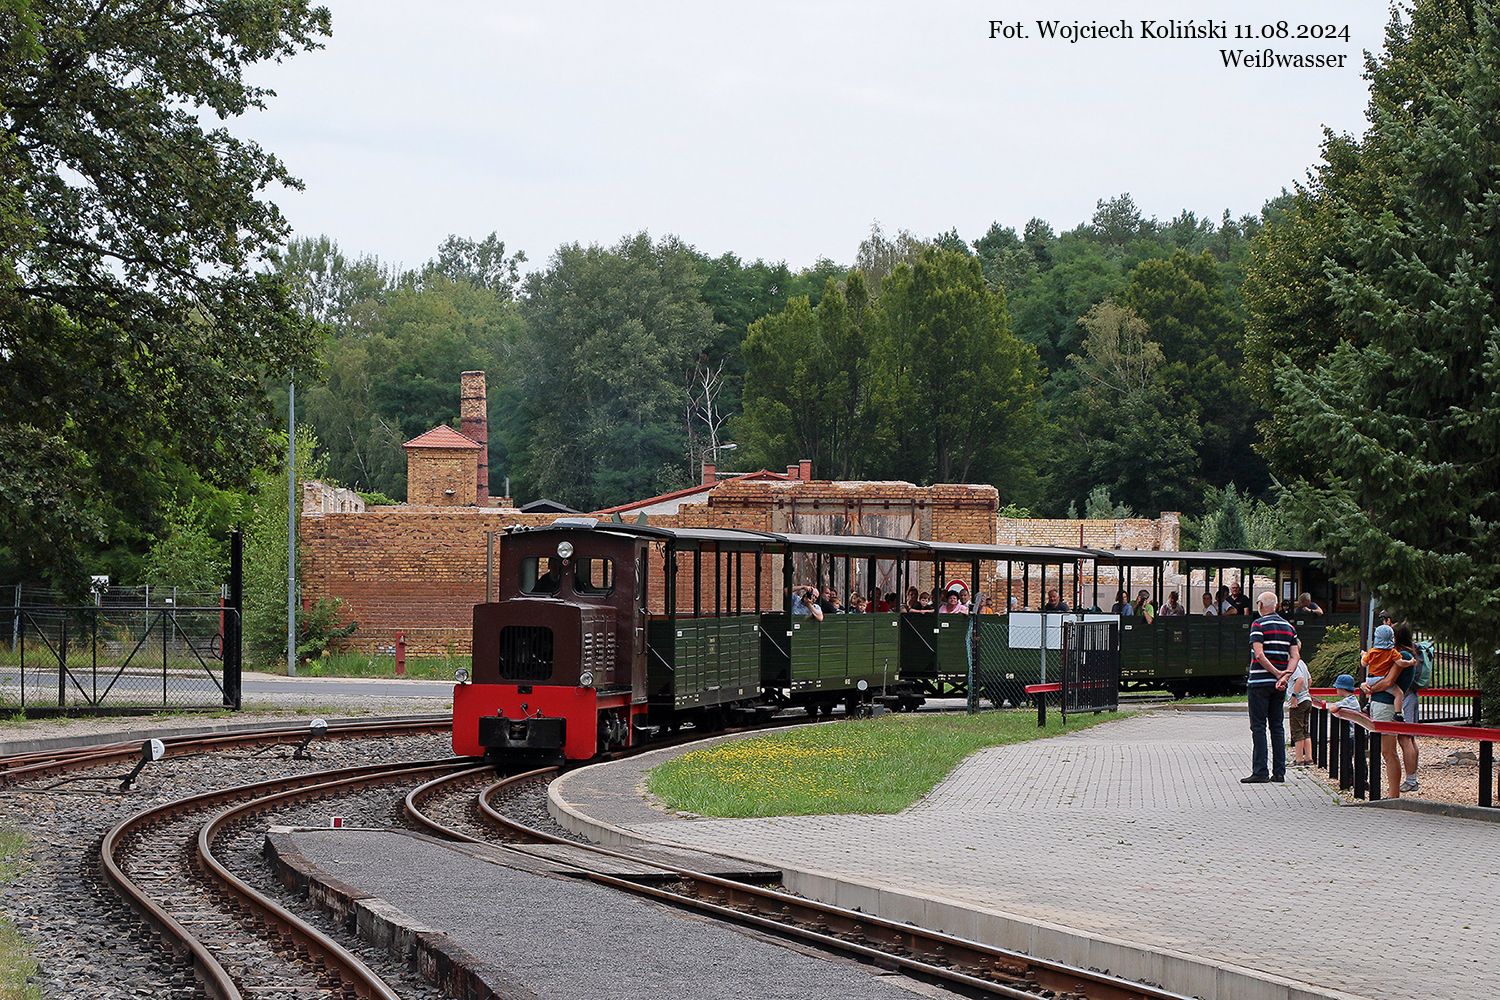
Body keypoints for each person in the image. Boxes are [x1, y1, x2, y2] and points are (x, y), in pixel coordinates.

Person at [1243, 591, 1298, 784]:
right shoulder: (1289, 627)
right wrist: (1285, 675)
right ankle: (1280, 772)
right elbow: (1295, 656)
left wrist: (1276, 674)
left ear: (1260, 605)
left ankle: (1260, 771)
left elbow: (1259, 654)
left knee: (1258, 726)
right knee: (1277, 726)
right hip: (1279, 686)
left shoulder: (1258, 625)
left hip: (1259, 683)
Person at [1359, 623, 1404, 799]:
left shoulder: (1396, 656)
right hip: (1379, 701)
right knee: (1382, 750)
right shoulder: (1386, 654)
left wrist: (1370, 688)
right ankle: (1387, 792)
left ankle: (1393, 795)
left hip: (1386, 705)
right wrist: (1366, 686)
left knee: (1388, 751)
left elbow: (1387, 682)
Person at [1391, 622, 1421, 792]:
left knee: (1404, 739)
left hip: (1406, 698)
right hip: (1412, 696)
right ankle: (1413, 778)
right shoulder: (1412, 652)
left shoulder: (1402, 655)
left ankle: (1411, 780)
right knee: (1410, 738)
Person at [1284, 655, 1314, 766]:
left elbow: (1300, 680)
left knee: (1297, 731)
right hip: (1307, 699)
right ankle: (1309, 758)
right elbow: (1309, 680)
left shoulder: (1293, 665)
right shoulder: (1302, 663)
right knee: (1305, 730)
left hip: (1299, 702)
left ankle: (1299, 759)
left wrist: (1294, 697)